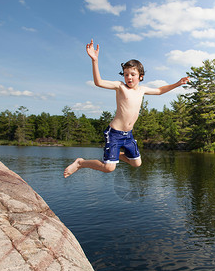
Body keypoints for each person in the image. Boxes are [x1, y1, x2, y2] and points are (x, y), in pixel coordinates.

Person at [64, 39, 189, 178]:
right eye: (126, 74)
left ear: (140, 77)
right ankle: (81, 163)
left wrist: (177, 83)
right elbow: (98, 82)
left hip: (128, 135)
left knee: (137, 163)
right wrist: (95, 60)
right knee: (109, 168)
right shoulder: (120, 86)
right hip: (114, 133)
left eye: (132, 74)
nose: (128, 77)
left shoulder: (142, 90)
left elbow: (159, 90)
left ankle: (115, 154)